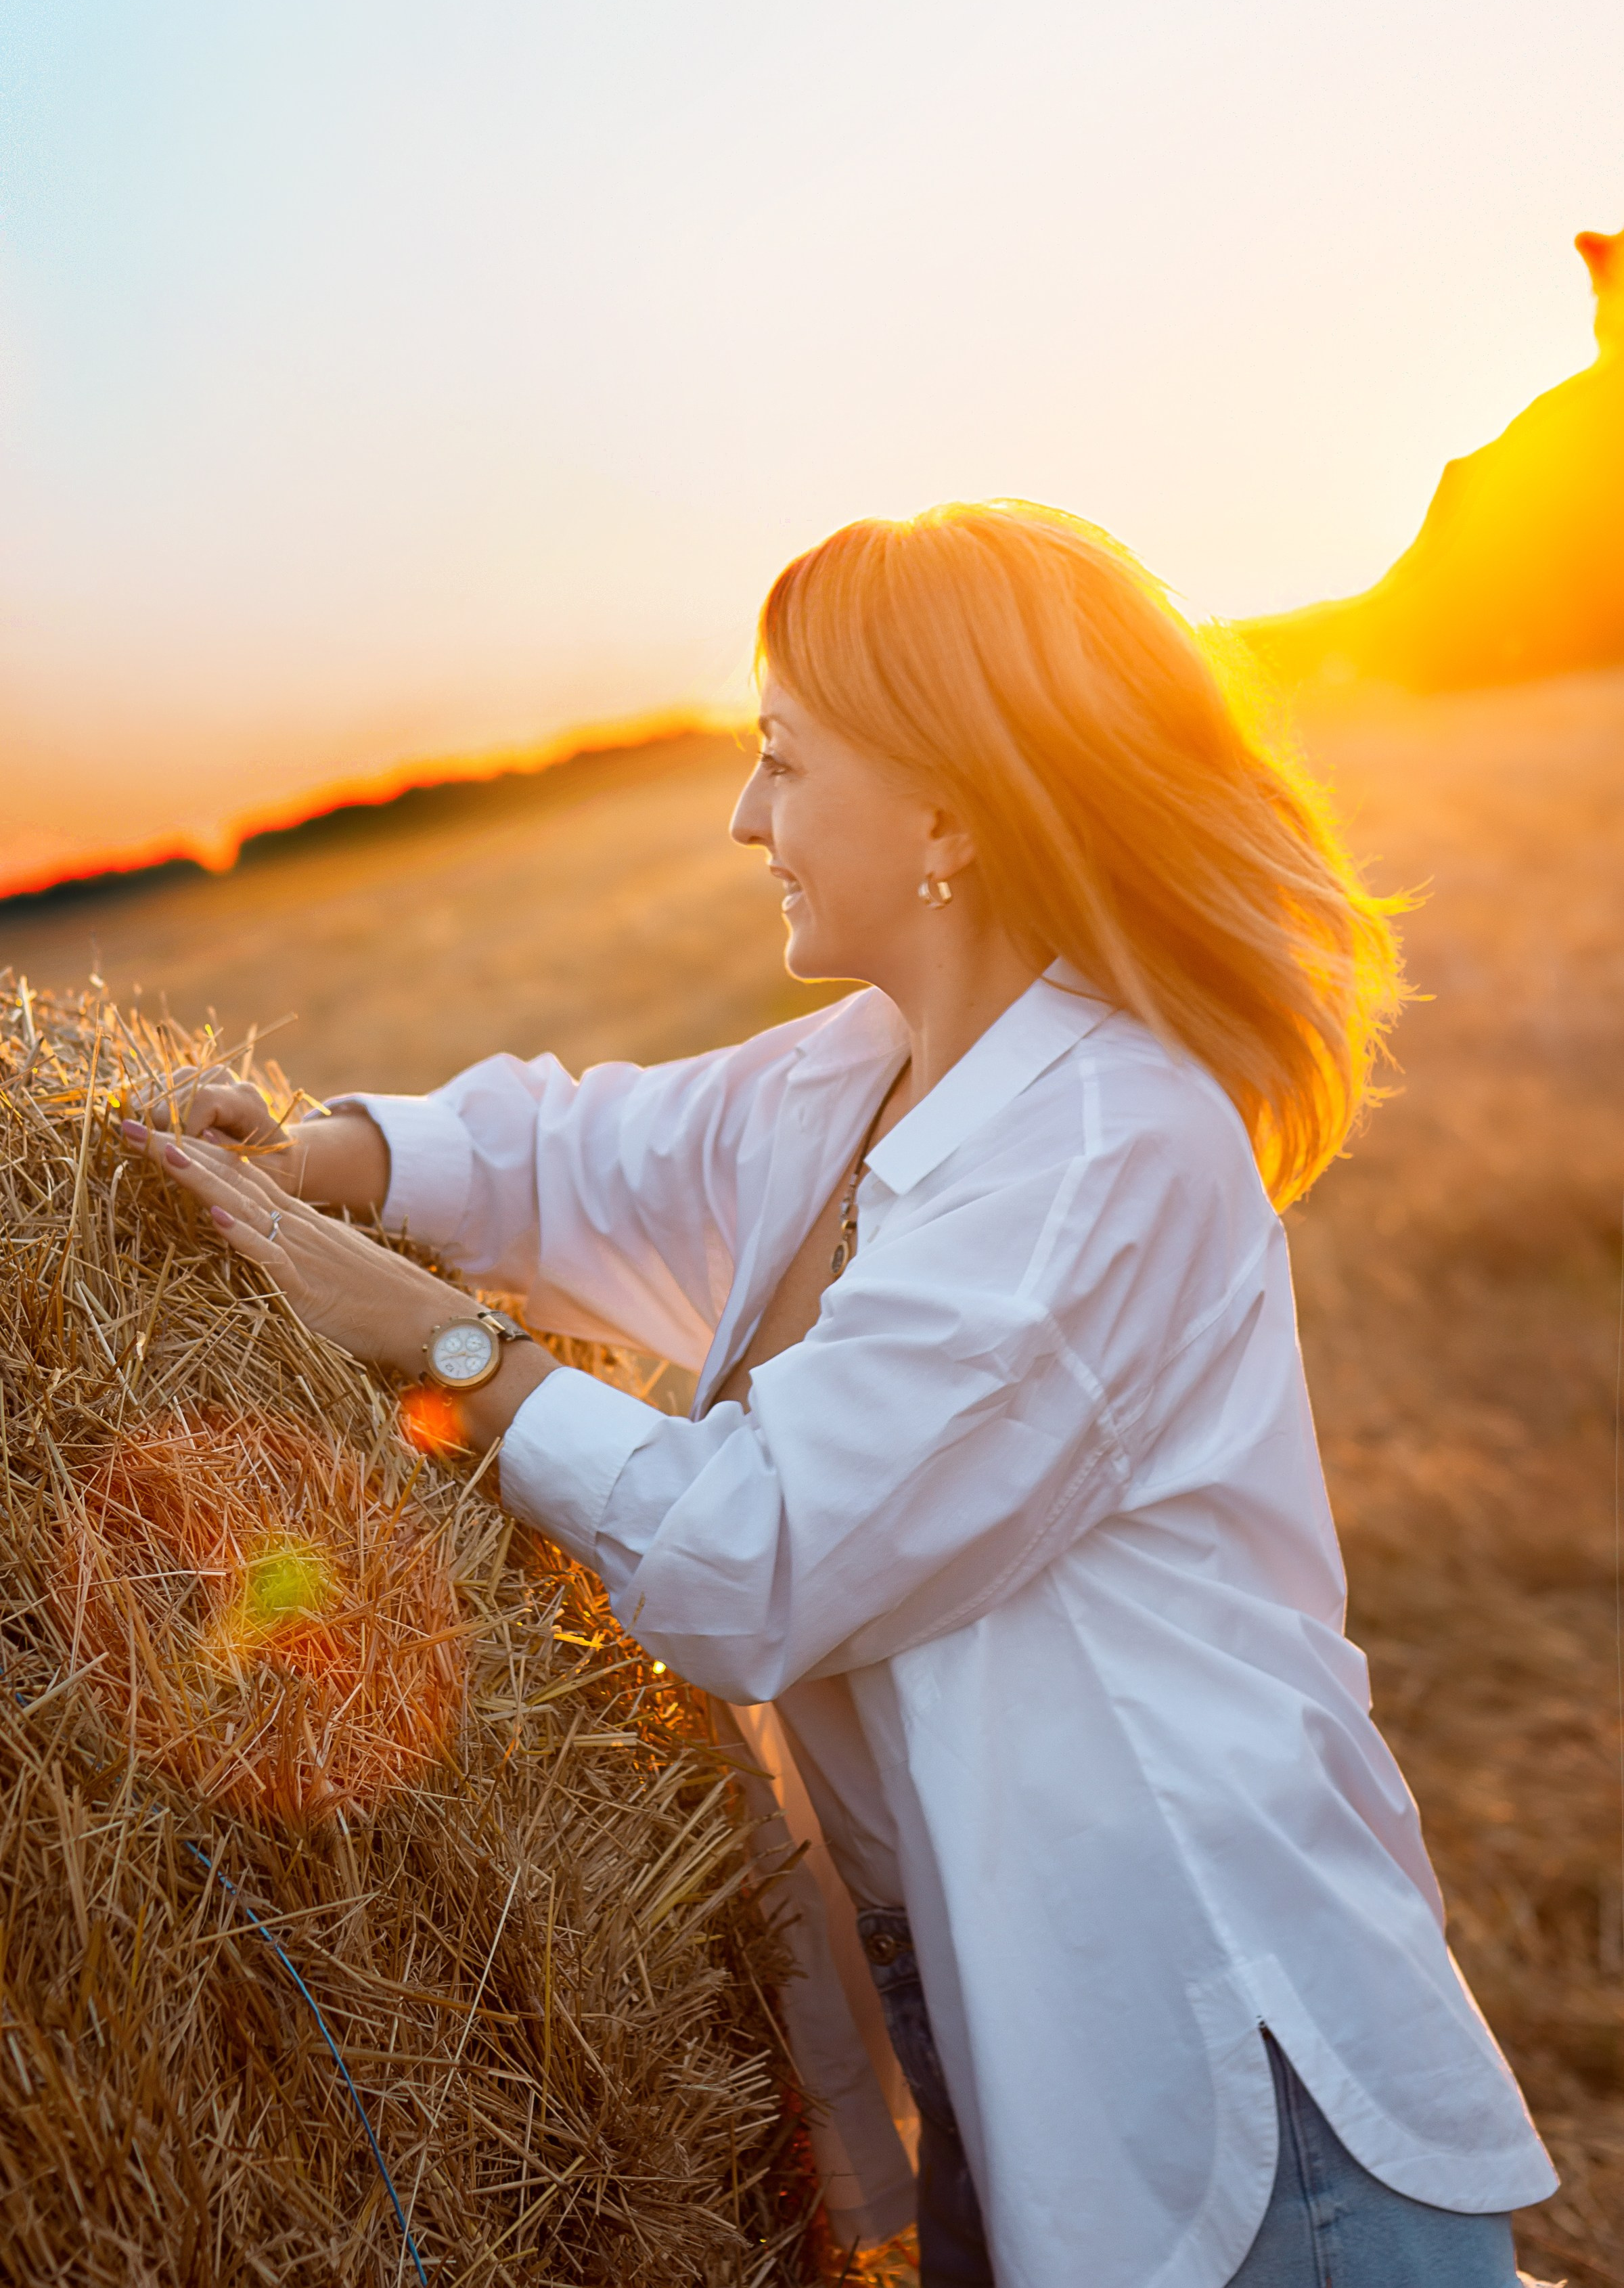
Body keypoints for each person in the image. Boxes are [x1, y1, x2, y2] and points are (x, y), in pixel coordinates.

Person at [127, 501, 1558, 2288]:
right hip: (995, 2010)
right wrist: (324, 1152)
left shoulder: (1107, 1148)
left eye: (785, 766)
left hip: (1224, 2070)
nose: (745, 819)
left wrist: (446, 1346)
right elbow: (586, 1155)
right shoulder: (862, 1077)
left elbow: (762, 1554)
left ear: (948, 809)